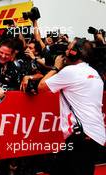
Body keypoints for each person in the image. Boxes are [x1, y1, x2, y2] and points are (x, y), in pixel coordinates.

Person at [38, 38, 106, 175]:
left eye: (68, 49)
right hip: (95, 135)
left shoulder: (71, 72)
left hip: (81, 136)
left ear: (75, 53)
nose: (65, 52)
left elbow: (41, 87)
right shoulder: (94, 73)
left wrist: (56, 67)